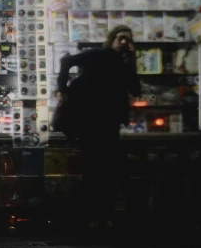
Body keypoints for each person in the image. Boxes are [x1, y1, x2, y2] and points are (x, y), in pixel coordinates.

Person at [56, 25, 141, 229]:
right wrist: (62, 90)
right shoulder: (96, 54)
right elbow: (66, 60)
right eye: (120, 38)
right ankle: (94, 215)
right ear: (111, 40)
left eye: (127, 40)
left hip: (109, 123)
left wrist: (131, 62)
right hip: (90, 122)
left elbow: (135, 89)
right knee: (94, 169)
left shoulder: (123, 64)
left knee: (106, 170)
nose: (123, 42)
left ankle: (104, 215)